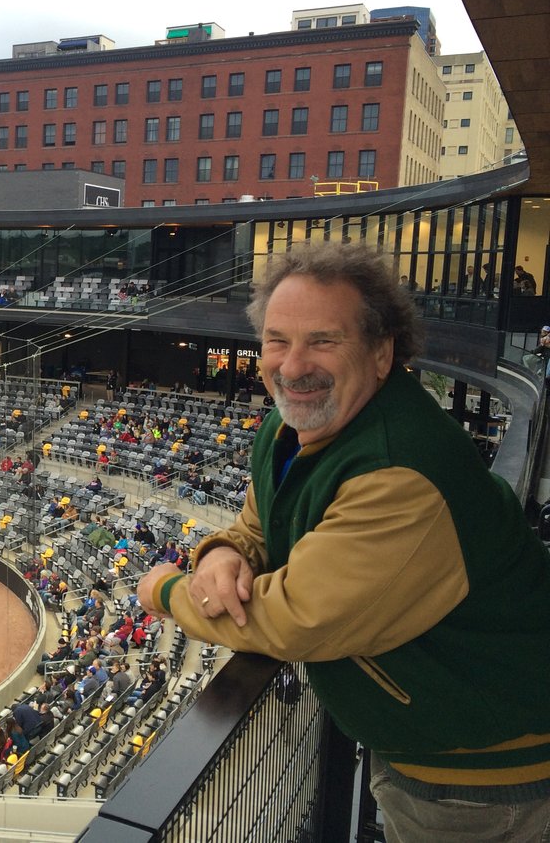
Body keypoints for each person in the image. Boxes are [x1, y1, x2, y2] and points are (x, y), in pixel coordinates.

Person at [137, 245, 550, 841]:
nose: (293, 364)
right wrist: (220, 555)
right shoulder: (295, 425)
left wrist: (169, 588)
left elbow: (296, 618)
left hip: (485, 779)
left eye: (323, 341)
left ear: (382, 353)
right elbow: (259, 525)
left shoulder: (398, 471)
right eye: (277, 340)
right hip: (430, 746)